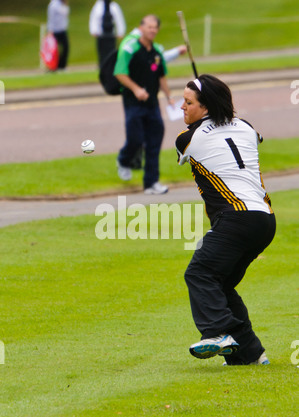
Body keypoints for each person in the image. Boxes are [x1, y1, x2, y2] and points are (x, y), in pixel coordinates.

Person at [176, 74, 276, 365]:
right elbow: (253, 135)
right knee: (219, 284)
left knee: (200, 273)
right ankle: (249, 354)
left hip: (236, 219)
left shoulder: (187, 139)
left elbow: (190, 147)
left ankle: (216, 332)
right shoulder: (246, 126)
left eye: (188, 102)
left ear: (205, 106)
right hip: (265, 220)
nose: (182, 107)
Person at [114, 15, 173, 195]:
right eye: (149, 27)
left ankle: (151, 182)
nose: (152, 30)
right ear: (141, 28)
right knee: (136, 138)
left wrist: (169, 97)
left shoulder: (157, 51)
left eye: (155, 27)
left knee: (155, 139)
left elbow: (161, 76)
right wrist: (136, 89)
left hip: (152, 102)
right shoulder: (130, 49)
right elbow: (120, 73)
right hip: (133, 102)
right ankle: (124, 160)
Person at [89, 0, 126, 68]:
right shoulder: (97, 6)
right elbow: (94, 19)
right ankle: (102, 66)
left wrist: (120, 32)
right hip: (101, 34)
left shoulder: (114, 6)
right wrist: (94, 31)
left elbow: (119, 19)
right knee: (102, 52)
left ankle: (111, 66)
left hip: (111, 34)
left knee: (111, 52)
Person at [47, 0, 70, 70]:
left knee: (65, 47)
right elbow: (51, 18)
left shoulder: (62, 4)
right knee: (54, 50)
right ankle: (54, 66)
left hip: (62, 29)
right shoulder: (54, 4)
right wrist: (50, 30)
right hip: (55, 31)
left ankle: (62, 66)